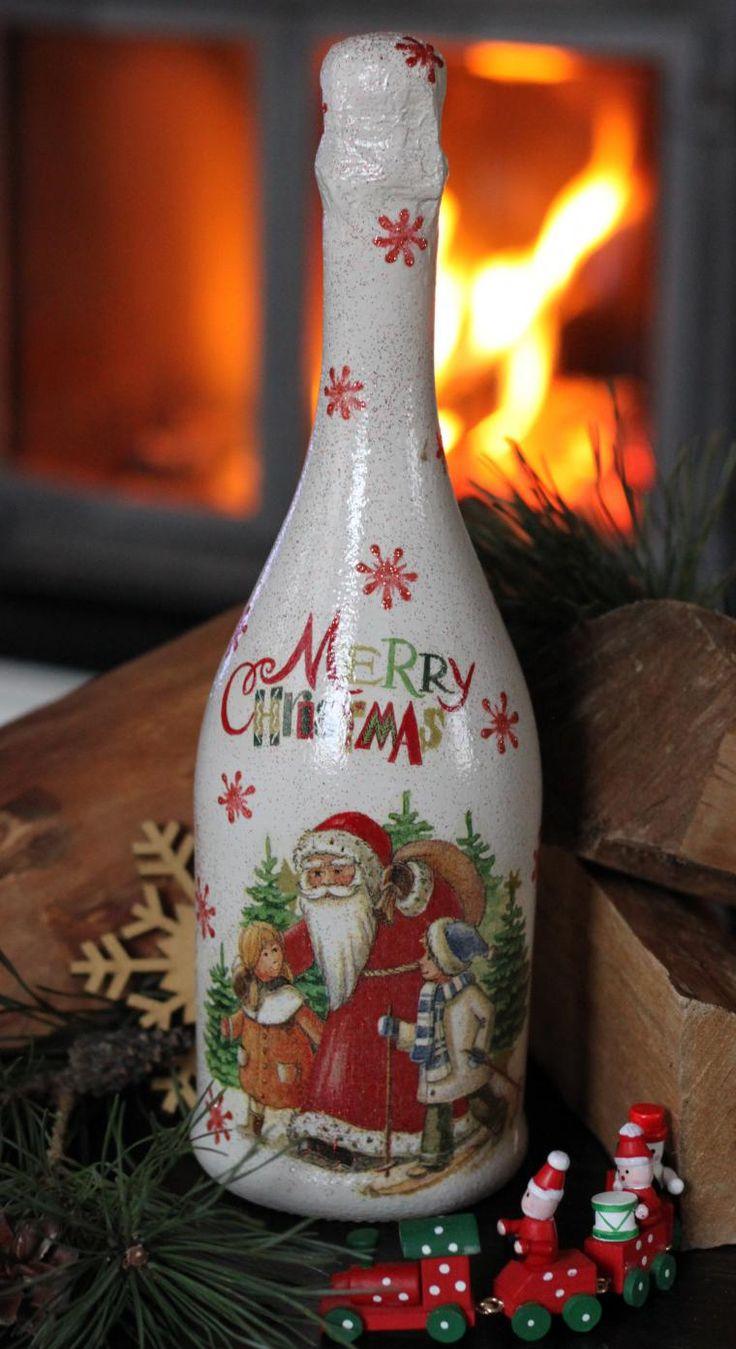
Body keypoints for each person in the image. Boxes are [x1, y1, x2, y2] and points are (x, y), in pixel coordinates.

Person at [282, 811, 486, 1170]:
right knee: (341, 1074)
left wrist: (414, 885)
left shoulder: (398, 901)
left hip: (403, 1004)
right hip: (350, 1013)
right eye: (316, 873)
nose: (327, 882)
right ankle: (332, 1139)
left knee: (404, 1077)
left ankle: (419, 1139)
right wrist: (265, 962)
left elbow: (447, 916)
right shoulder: (326, 914)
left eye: (338, 870)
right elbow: (300, 944)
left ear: (365, 868)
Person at [377, 917, 493, 1177]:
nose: (421, 961)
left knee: (478, 1098)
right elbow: (424, 1032)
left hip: (466, 1062)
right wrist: (397, 1029)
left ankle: (496, 1121)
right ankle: (433, 1159)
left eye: (429, 956)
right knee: (437, 1107)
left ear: (446, 962)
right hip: (438, 1065)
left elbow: (487, 1014)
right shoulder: (429, 996)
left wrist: (480, 1048)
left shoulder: (467, 994)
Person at [220, 920, 322, 1137]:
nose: (274, 958)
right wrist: (230, 1026)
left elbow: (311, 1026)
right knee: (255, 1093)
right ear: (252, 960)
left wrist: (324, 1041)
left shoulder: (289, 997)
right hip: (255, 1063)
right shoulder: (252, 995)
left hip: (284, 1066)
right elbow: (244, 1017)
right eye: (265, 954)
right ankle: (253, 1126)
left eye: (275, 950)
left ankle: (298, 1133)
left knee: (292, 1097)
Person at [497, 1151, 571, 1266]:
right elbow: (522, 1225)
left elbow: (549, 1248)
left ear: (554, 1206)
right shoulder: (529, 1219)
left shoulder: (546, 1227)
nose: (530, 1204)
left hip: (540, 1264)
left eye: (539, 1202)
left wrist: (529, 1247)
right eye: (528, 1195)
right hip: (524, 1261)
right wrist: (509, 1226)